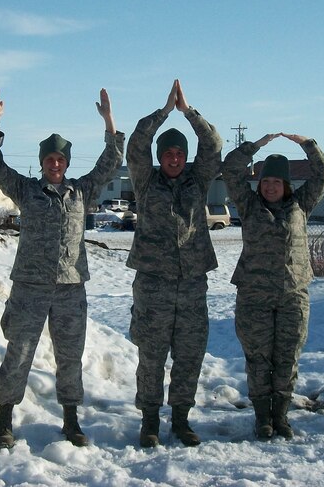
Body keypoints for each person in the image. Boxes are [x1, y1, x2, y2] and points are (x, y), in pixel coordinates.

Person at [0, 88, 124, 449]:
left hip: (70, 288)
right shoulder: (25, 190)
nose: (54, 164)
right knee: (18, 353)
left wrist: (109, 121)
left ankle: (70, 419)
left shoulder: (81, 192)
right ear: (42, 162)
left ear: (66, 163)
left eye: (60, 160)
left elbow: (109, 163)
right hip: (30, 288)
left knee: (70, 356)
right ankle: (4, 419)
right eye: (49, 159)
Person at [125, 79, 223, 448]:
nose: (174, 158)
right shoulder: (145, 181)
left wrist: (189, 114)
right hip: (153, 285)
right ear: (160, 156)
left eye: (179, 153)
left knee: (189, 354)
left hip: (192, 284)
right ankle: (149, 421)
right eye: (168, 153)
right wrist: (164, 112)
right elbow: (136, 144)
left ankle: (181, 419)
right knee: (151, 355)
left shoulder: (198, 181)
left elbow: (213, 146)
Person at [222, 132, 324, 440]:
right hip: (253, 296)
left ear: (286, 185)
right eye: (266, 181)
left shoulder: (301, 205)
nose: (270, 187)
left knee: (287, 358)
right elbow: (230, 169)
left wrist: (307, 144)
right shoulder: (247, 204)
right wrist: (254, 147)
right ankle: (262, 419)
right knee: (258, 359)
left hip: (292, 296)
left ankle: (280, 416)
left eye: (276, 182)